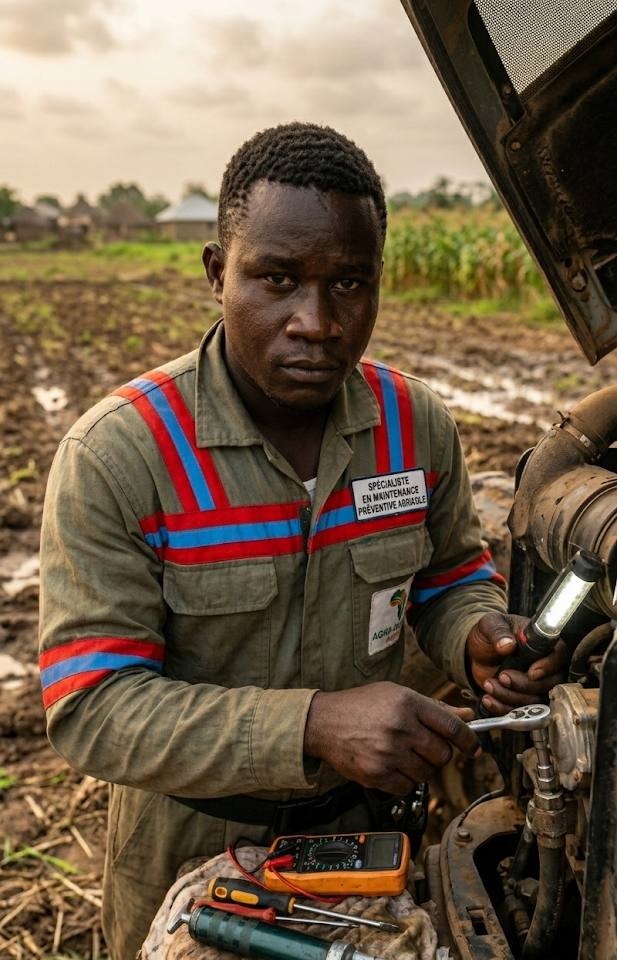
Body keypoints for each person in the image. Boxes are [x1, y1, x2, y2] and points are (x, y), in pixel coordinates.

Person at [38, 122, 566, 959]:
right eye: (276, 279)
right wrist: (314, 726)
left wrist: (475, 635)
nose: (316, 322)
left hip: (370, 839)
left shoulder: (413, 425)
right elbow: (93, 707)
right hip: (188, 846)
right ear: (218, 273)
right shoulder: (122, 454)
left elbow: (447, 576)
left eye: (350, 284)